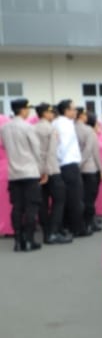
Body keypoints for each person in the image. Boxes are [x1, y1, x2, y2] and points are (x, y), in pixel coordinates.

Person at [1, 98, 44, 251]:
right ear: (23, 110)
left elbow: (3, 146)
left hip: (14, 173)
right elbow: (37, 150)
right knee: (31, 207)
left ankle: (18, 240)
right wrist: (42, 170)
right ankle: (29, 240)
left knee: (17, 207)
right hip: (30, 172)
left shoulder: (4, 128)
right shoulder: (28, 127)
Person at [34, 103, 70, 244]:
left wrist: (40, 171)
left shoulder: (33, 128)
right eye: (50, 112)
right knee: (59, 200)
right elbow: (51, 152)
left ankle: (46, 232)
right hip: (52, 170)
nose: (53, 114)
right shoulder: (51, 129)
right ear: (44, 114)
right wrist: (47, 172)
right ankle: (53, 233)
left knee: (42, 202)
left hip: (37, 169)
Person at [53, 99, 86, 237]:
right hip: (68, 164)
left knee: (67, 199)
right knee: (75, 198)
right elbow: (63, 146)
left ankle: (67, 226)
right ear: (66, 111)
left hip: (62, 164)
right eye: (73, 109)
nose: (75, 111)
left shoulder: (56, 122)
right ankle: (77, 228)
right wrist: (61, 159)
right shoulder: (65, 124)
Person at [76, 109, 102, 234]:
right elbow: (92, 152)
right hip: (90, 167)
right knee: (90, 197)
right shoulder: (89, 131)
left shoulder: (72, 128)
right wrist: (101, 169)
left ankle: (85, 222)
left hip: (77, 168)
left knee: (82, 197)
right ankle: (90, 223)